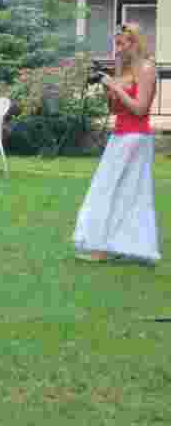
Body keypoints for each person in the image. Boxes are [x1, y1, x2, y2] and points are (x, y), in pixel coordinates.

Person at [74, 23, 161, 265]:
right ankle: (116, 246)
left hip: (136, 138)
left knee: (119, 192)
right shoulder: (124, 69)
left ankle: (108, 247)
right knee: (114, 192)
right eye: (116, 44)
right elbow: (114, 109)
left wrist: (116, 87)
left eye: (122, 44)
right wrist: (109, 89)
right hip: (119, 135)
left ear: (135, 42)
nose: (118, 49)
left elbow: (141, 109)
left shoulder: (147, 68)